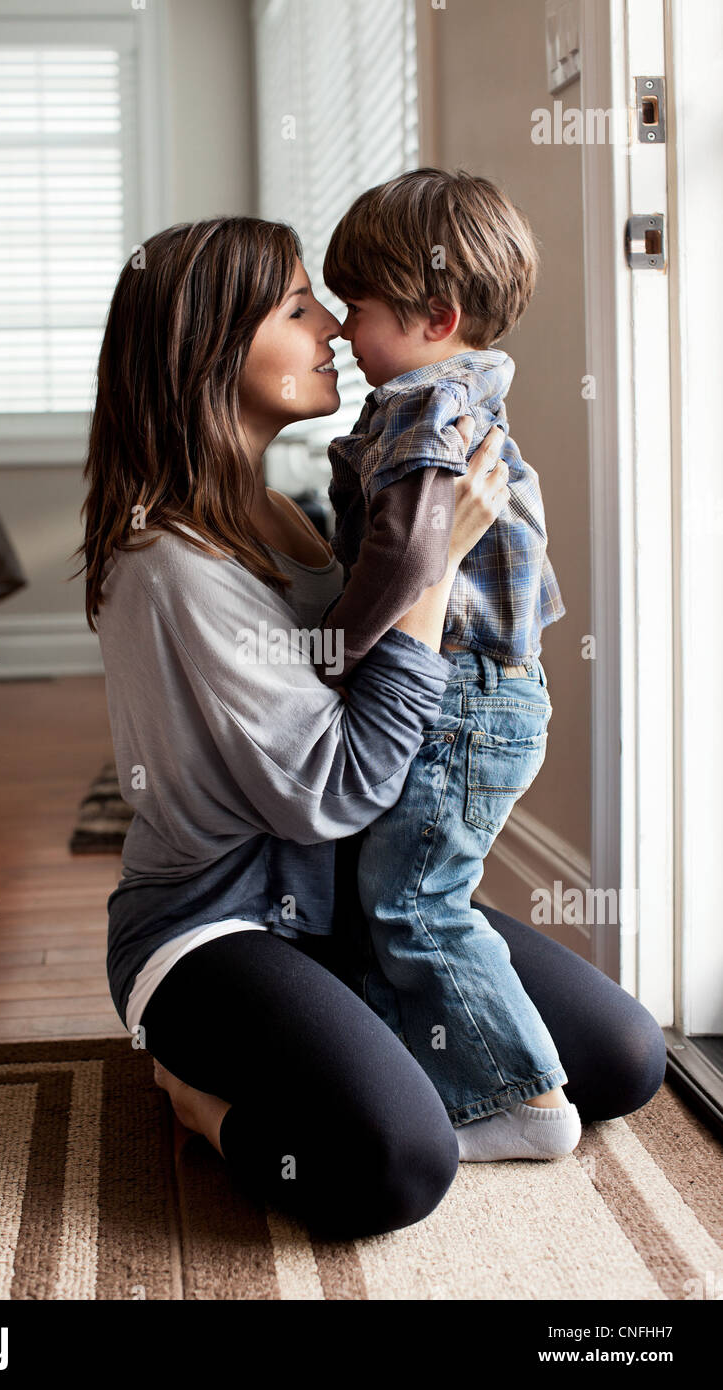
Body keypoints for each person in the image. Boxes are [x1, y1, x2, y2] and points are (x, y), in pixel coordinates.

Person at [75, 216, 666, 1241]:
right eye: (298, 307)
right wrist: (432, 575)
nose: (333, 332)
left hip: (345, 901)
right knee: (396, 1162)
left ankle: (355, 1030)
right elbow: (335, 784)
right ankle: (197, 1099)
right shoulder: (168, 566)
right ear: (210, 343)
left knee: (621, 1057)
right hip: (220, 921)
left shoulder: (278, 517)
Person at [314, 168, 577, 1162]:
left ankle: (524, 1097)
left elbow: (410, 552)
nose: (341, 330)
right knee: (399, 889)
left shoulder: (424, 407)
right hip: (488, 693)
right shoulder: (455, 394)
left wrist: (335, 644)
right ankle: (428, 1074)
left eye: (358, 307)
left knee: (415, 898)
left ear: (436, 314)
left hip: (461, 699)